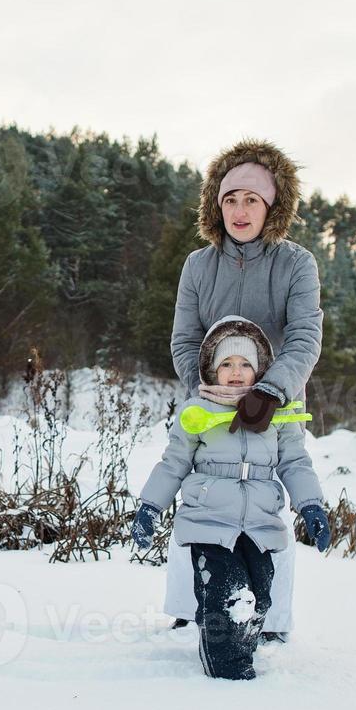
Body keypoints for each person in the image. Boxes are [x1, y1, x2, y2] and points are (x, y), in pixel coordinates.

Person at [132, 315, 331, 680]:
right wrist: (150, 507)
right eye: (226, 363)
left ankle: (240, 652)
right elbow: (173, 463)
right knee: (226, 595)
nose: (236, 371)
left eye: (245, 364)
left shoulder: (279, 416)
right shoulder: (198, 413)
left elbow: (296, 464)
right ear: (211, 369)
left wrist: (311, 506)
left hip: (259, 525)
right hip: (209, 523)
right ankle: (226, 668)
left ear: (259, 371)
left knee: (259, 598)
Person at [171, 138, 324, 435]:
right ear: (218, 207)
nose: (239, 212)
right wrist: (211, 393)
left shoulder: (297, 264)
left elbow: (304, 337)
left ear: (270, 207)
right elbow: (185, 340)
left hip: (276, 412)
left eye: (251, 200)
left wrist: (270, 392)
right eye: (231, 200)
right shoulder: (197, 265)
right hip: (211, 413)